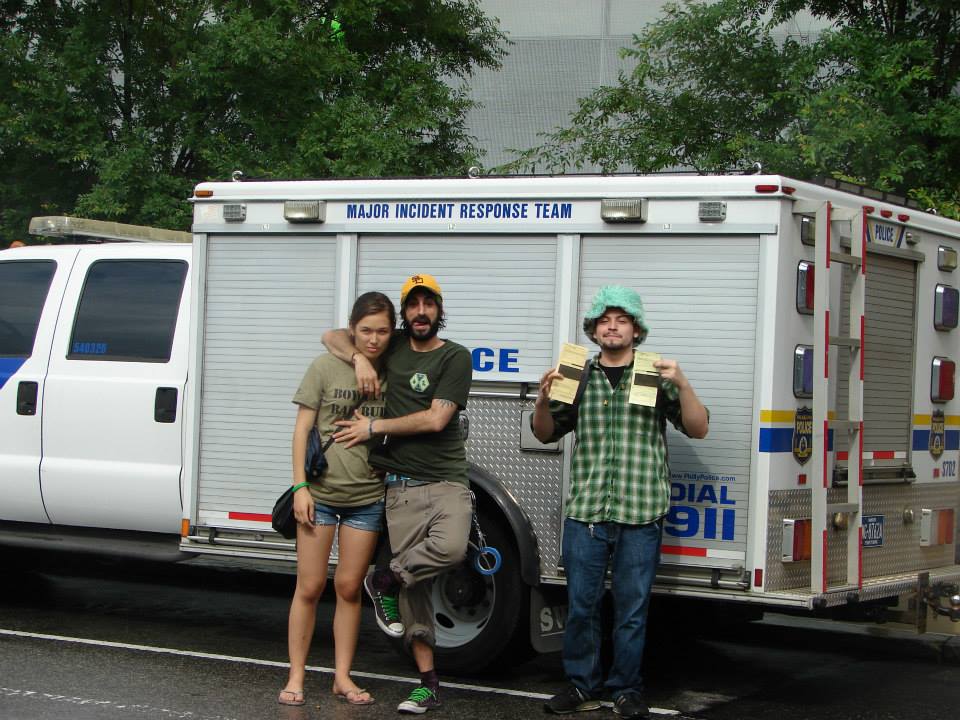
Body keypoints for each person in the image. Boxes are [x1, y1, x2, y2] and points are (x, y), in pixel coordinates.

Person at [532, 285, 709, 720]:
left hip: (641, 510)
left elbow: (698, 428)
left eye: (622, 320)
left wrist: (683, 383)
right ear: (593, 330)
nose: (612, 326)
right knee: (582, 607)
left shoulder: (653, 374)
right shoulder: (577, 376)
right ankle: (582, 685)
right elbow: (545, 433)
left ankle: (626, 689)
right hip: (587, 511)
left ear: (636, 330)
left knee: (631, 610)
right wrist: (542, 400)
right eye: (605, 320)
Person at [324, 273, 473, 715]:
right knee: (415, 590)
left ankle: (382, 579)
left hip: (446, 482)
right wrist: (360, 360)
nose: (421, 312)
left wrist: (374, 427)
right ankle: (427, 684)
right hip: (400, 487)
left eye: (429, 304)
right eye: (413, 305)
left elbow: (436, 419)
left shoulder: (455, 356)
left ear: (439, 310)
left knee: (451, 549)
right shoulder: (393, 348)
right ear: (405, 313)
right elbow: (331, 336)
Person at [278, 291, 396, 708]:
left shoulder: (395, 368)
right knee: (309, 586)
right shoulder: (325, 367)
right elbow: (301, 430)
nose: (374, 339)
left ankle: (342, 677)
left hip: (367, 497)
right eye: (366, 330)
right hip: (321, 496)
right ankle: (296, 676)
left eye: (383, 331)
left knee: (348, 588)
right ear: (353, 329)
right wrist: (300, 488)